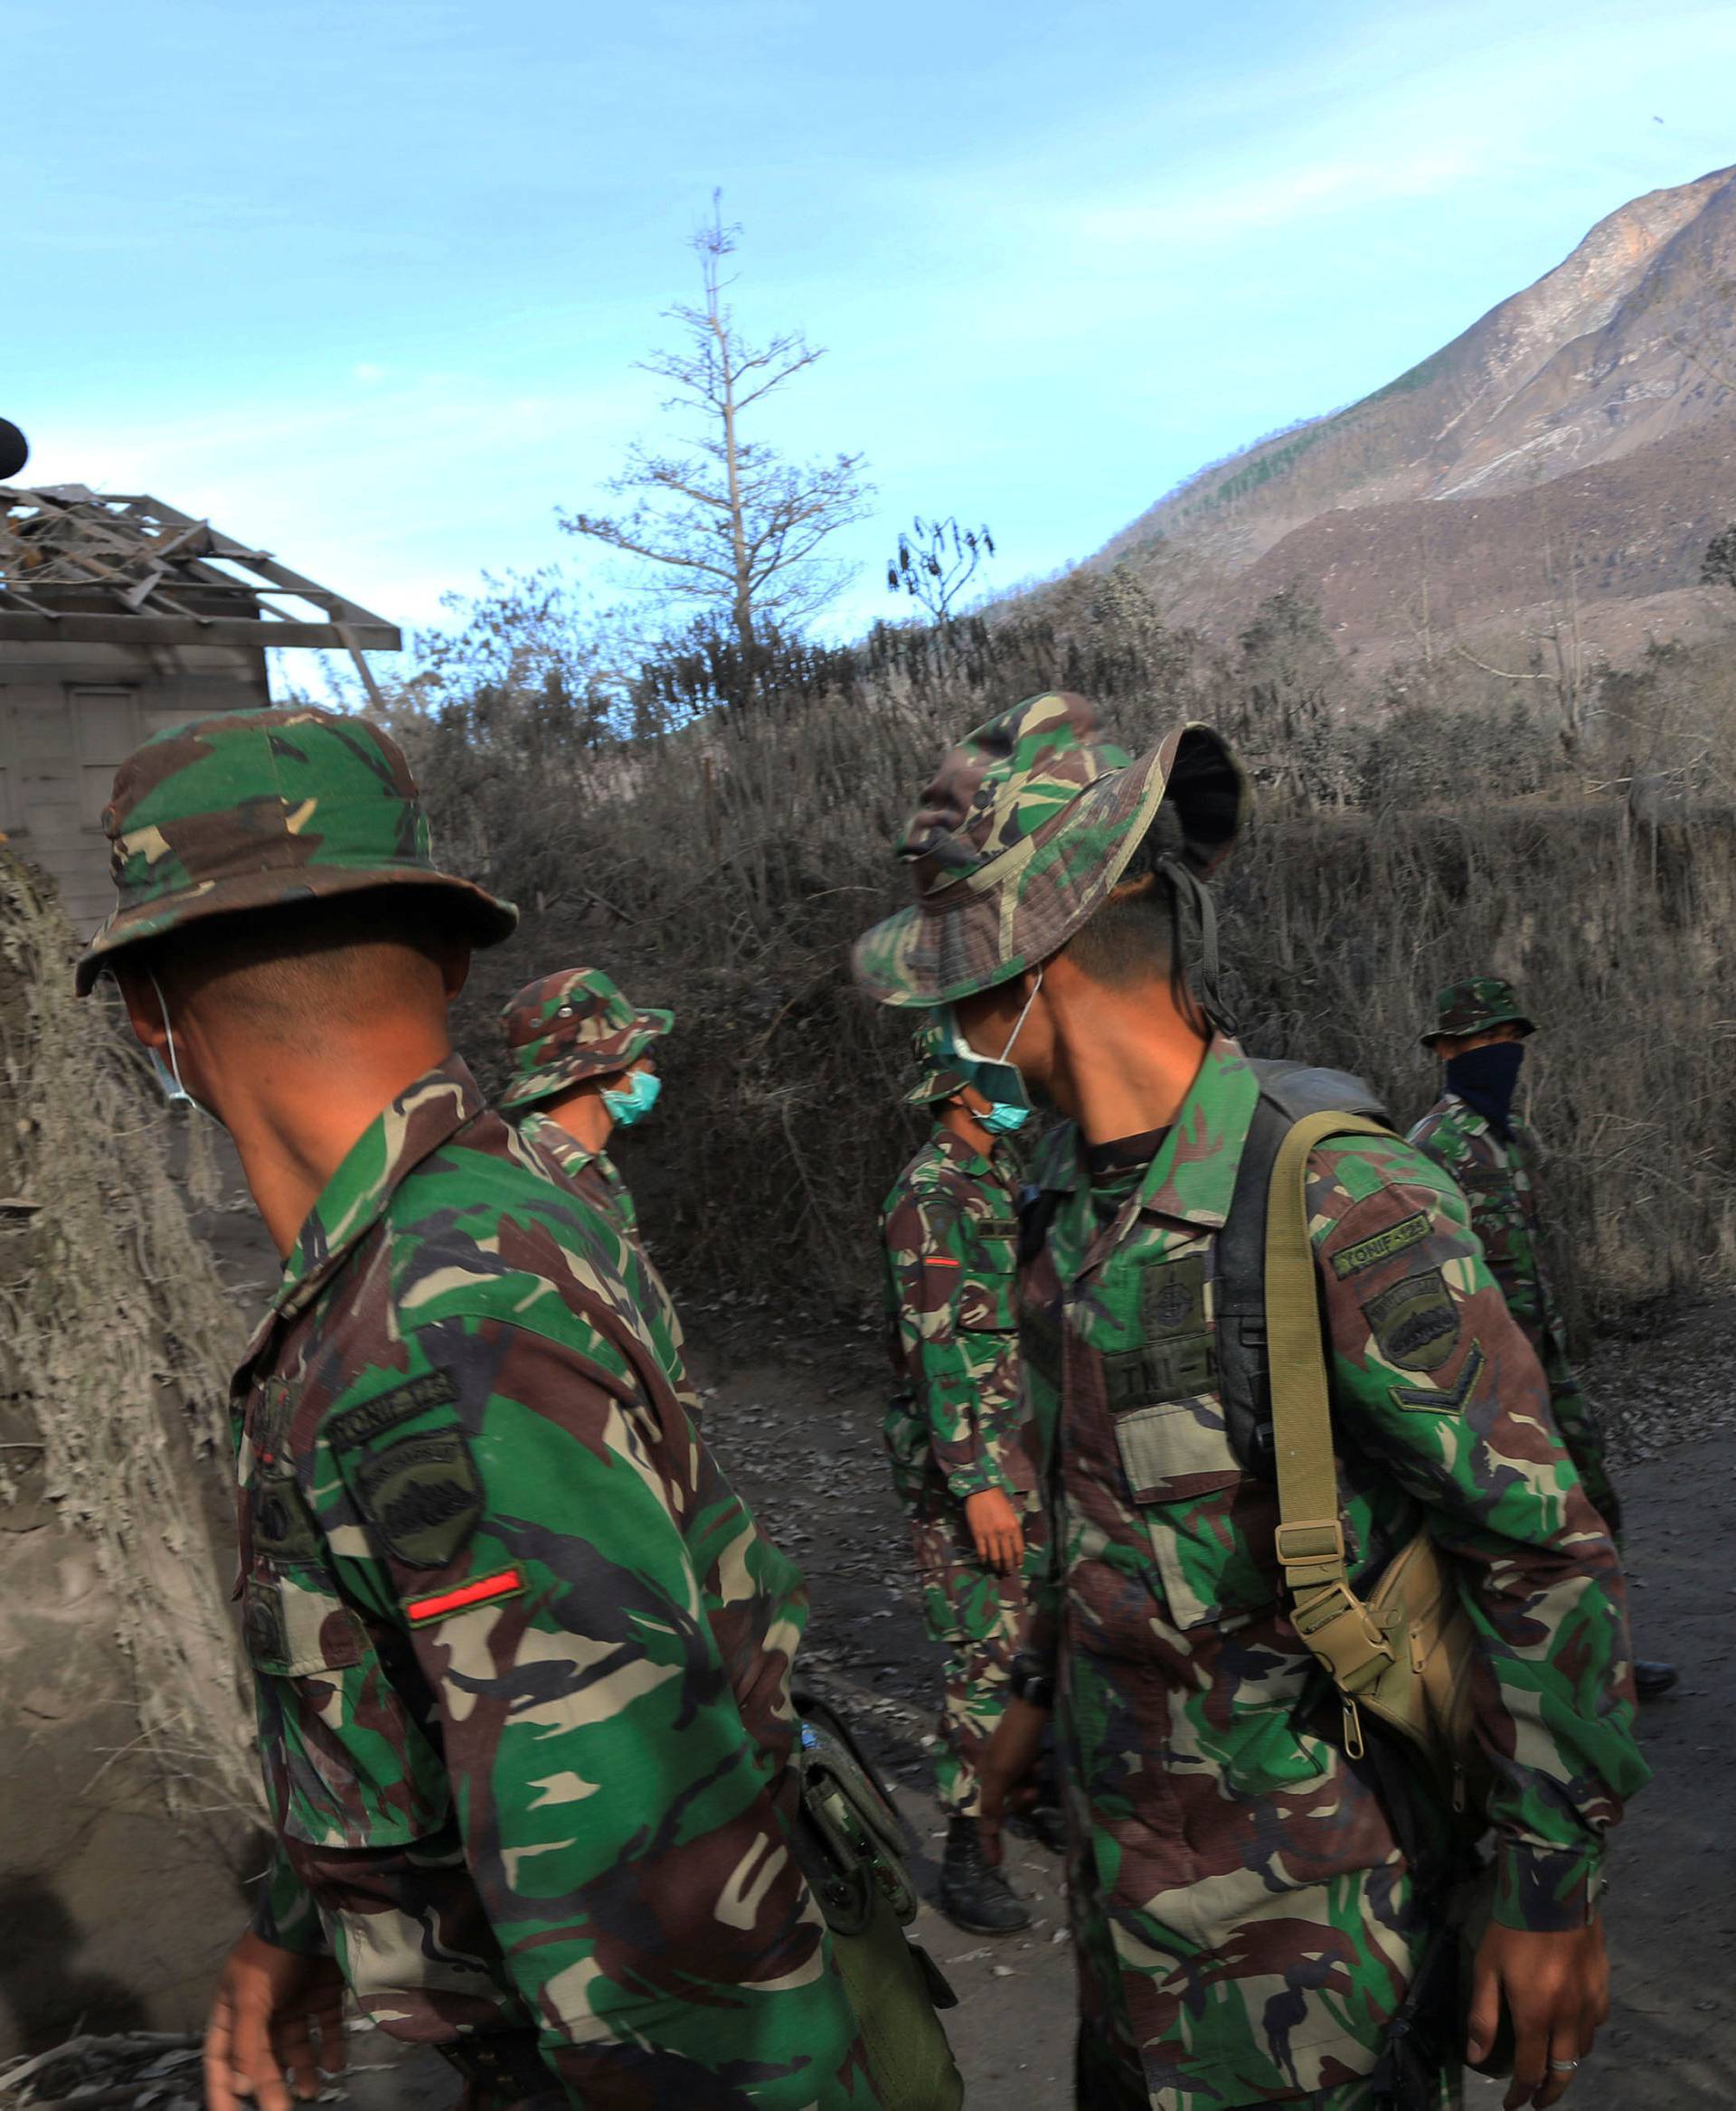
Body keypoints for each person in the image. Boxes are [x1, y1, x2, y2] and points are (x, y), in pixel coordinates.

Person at [852, 692, 1648, 2111]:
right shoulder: (1057, 1198)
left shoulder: (1330, 1190)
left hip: (1318, 1956)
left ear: (1033, 960)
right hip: (1131, 1928)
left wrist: (1548, 1885)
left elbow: (1538, 1548)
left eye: (960, 969)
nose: (952, 1012)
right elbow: (1083, 1502)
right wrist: (1035, 1688)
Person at [78, 707, 875, 2111]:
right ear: (452, 955)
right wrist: (300, 1917)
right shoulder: (498, 1209)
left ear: (150, 1009)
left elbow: (648, 1885)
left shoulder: (431, 1323)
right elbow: (422, 1687)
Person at [1406, 978, 1675, 1701]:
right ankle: (1526, 1681)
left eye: (1511, 1042)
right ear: (1448, 1051)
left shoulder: (1515, 1141)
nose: (1503, 1055)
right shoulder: (1431, 1147)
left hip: (1545, 1364)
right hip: (1483, 1381)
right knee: (1514, 1531)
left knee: (1594, 1499)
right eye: (1486, 1042)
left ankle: (1606, 1660)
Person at [879, 1017, 1056, 1934]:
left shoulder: (1000, 1179)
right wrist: (974, 1480)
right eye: (996, 1071)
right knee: (988, 1653)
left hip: (1028, 1452)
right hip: (978, 1467)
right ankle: (967, 1845)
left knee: (1047, 1636)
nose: (1013, 1079)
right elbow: (933, 1348)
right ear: (960, 1089)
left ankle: (1032, 1790)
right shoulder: (930, 1192)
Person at [497, 966, 701, 1426]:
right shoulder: (534, 1186)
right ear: (604, 1068)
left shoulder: (589, 1172)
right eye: (643, 1053)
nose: (652, 1067)